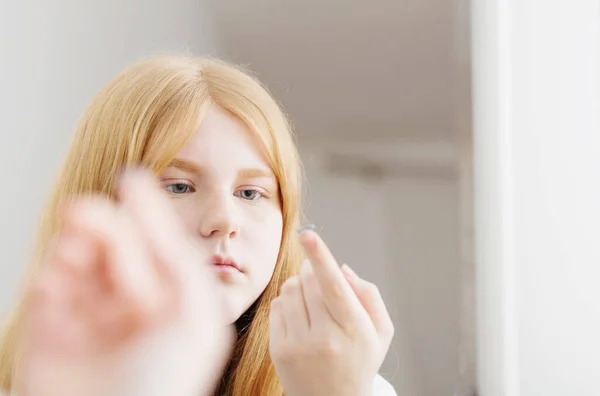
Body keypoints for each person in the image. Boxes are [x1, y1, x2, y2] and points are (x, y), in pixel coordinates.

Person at [0, 54, 396, 395]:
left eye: (250, 193)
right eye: (179, 186)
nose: (224, 221)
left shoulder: (352, 385)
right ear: (103, 204)